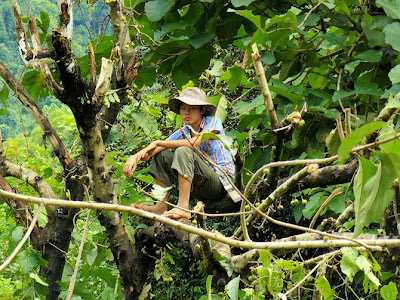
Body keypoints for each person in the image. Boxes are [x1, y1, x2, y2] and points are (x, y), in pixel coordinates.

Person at [123, 87, 234, 219]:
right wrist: (134, 157)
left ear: (202, 110)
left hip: (220, 183)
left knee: (183, 150)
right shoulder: (184, 131)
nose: (186, 112)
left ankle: (183, 207)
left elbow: (194, 142)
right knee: (161, 155)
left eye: (192, 108)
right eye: (183, 108)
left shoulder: (214, 123)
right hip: (199, 184)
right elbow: (152, 152)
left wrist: (158, 143)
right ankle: (160, 205)